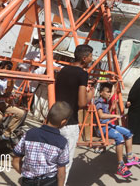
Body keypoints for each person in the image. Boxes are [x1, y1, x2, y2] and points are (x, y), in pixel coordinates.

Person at [55, 44, 96, 185]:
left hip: (55, 119)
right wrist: (92, 92)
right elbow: (82, 103)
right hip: (70, 122)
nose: (92, 58)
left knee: (52, 158)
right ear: (84, 58)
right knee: (65, 162)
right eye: (91, 56)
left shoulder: (63, 70)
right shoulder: (82, 74)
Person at [12, 101, 72, 186]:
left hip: (28, 181)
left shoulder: (30, 134)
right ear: (63, 122)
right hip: (50, 182)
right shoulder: (62, 142)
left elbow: (15, 161)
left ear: (47, 115)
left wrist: (26, 174)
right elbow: (61, 174)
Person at [95, 83, 140, 178]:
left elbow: (106, 113)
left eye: (110, 92)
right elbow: (101, 115)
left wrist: (112, 107)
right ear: (101, 92)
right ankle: (120, 165)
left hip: (108, 125)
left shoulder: (105, 101)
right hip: (102, 128)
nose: (109, 94)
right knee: (119, 137)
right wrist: (114, 115)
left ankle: (129, 156)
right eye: (107, 92)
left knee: (129, 133)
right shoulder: (99, 102)